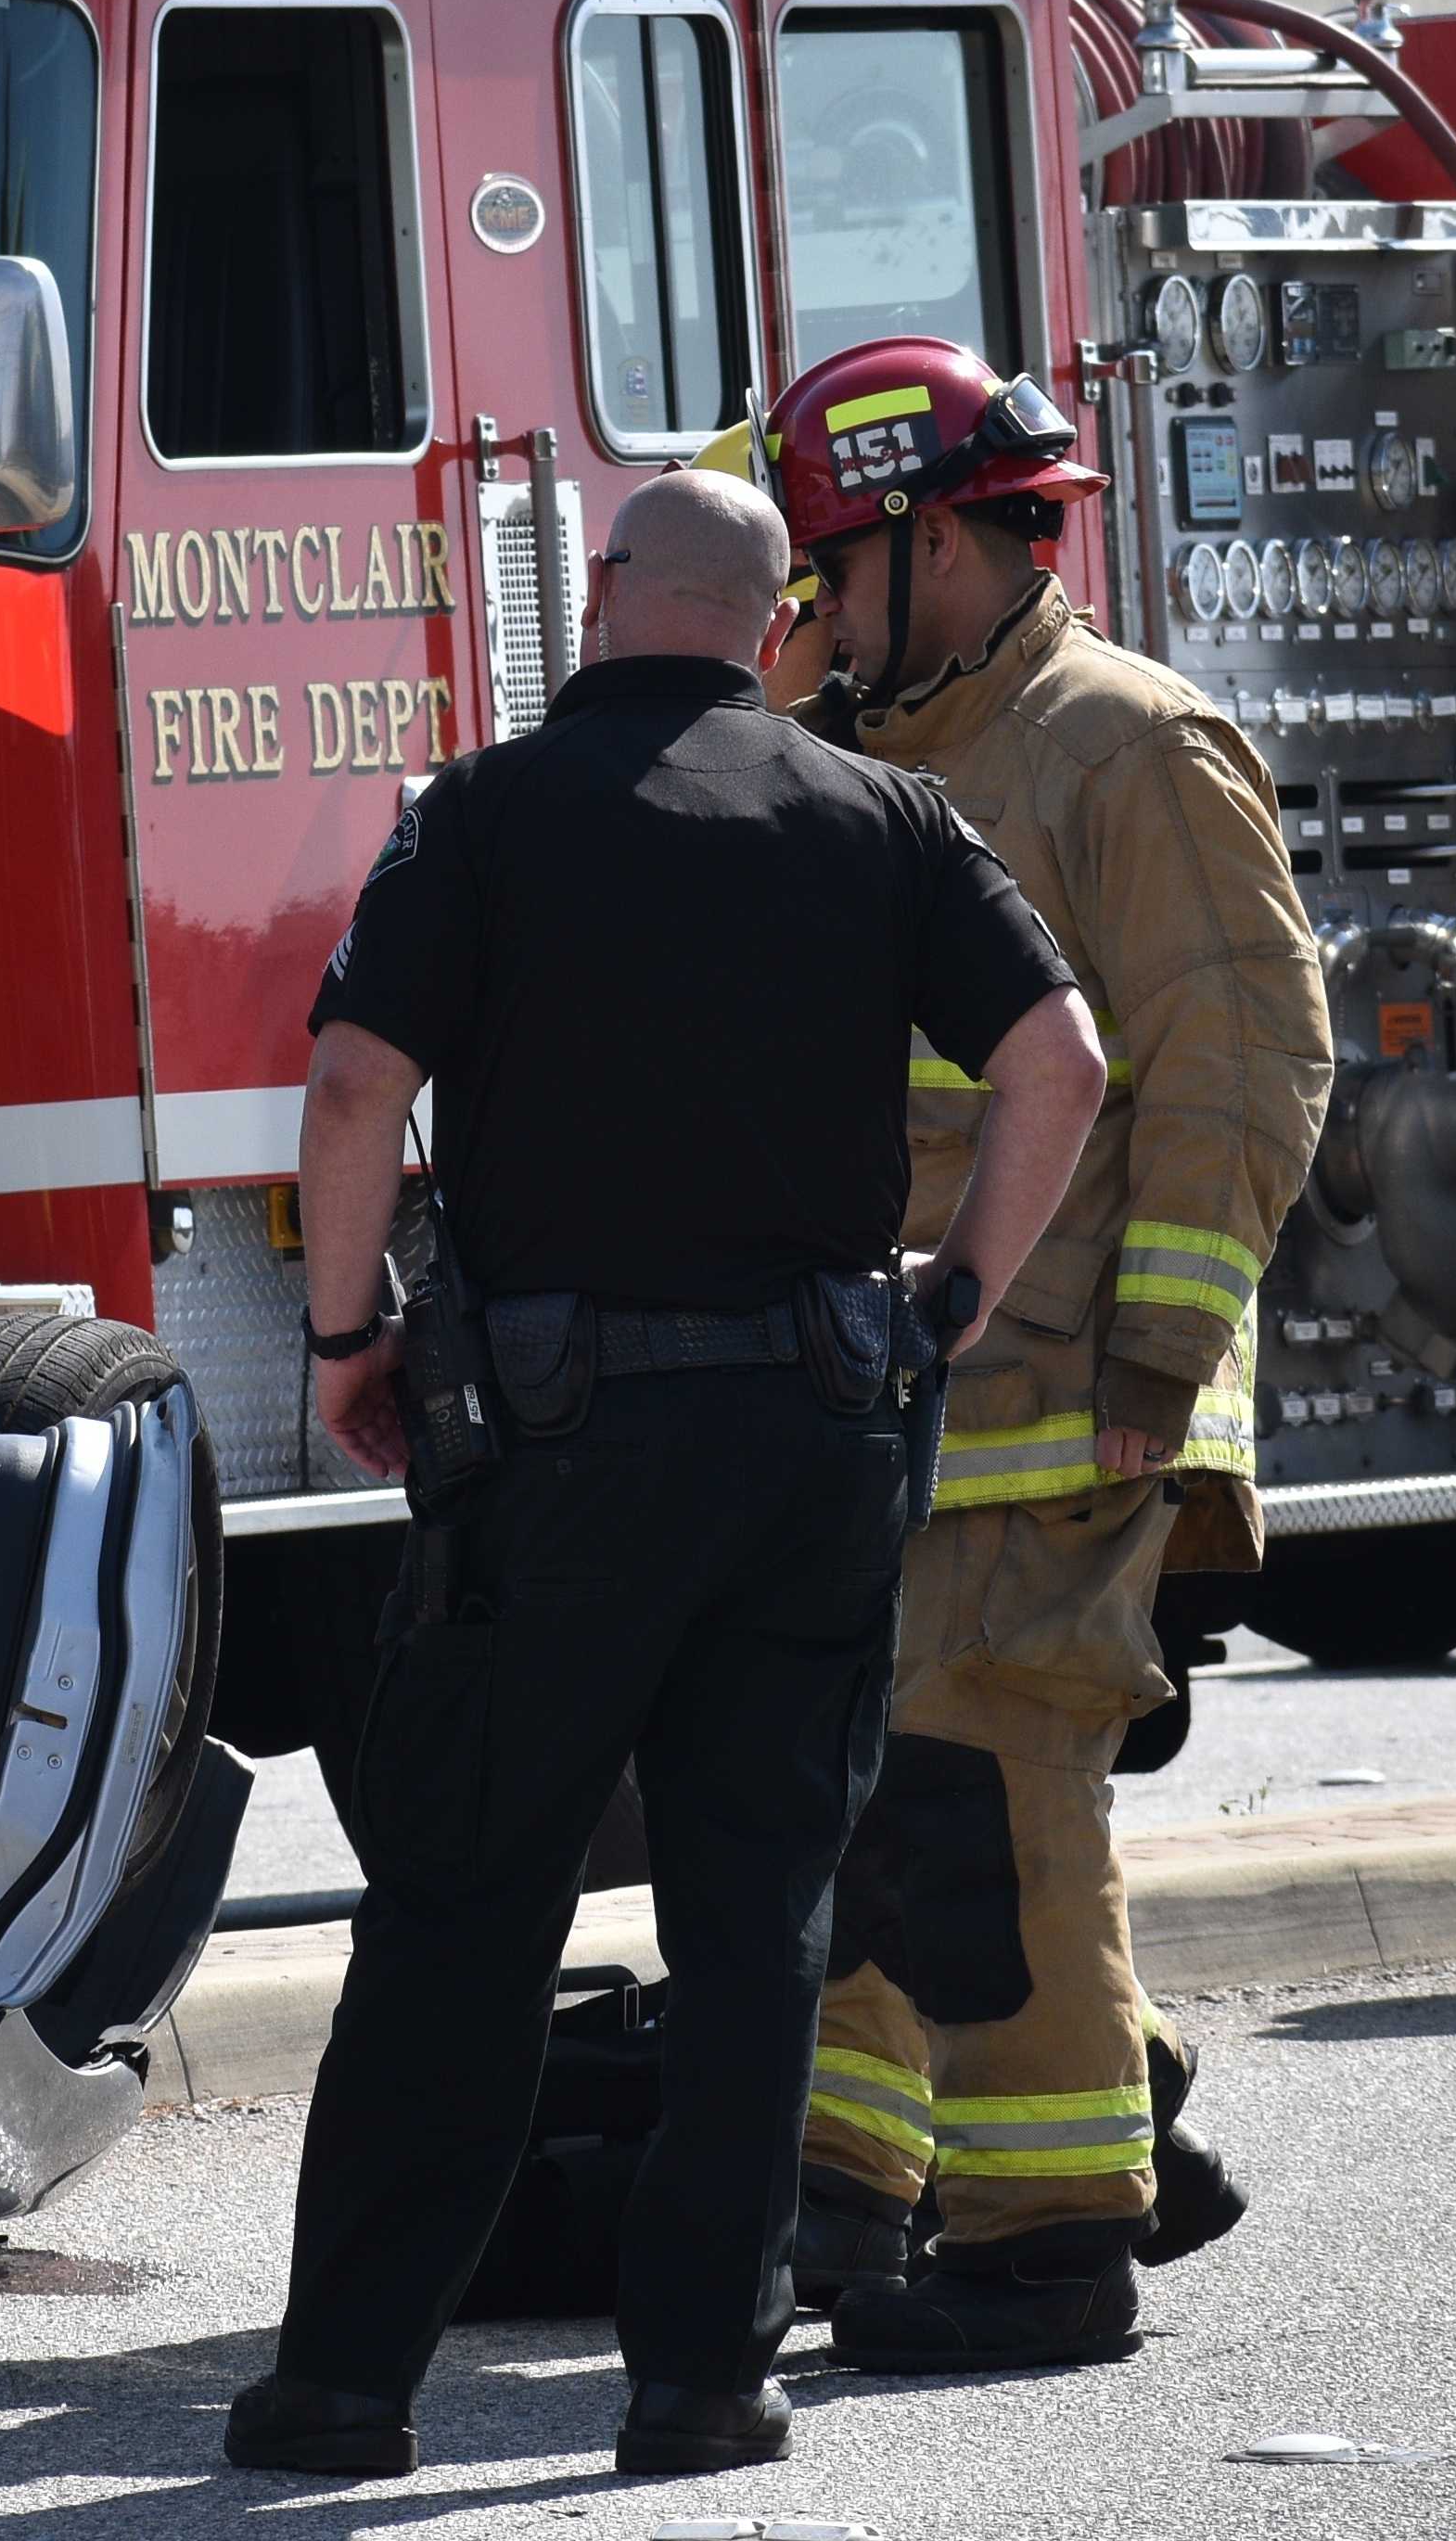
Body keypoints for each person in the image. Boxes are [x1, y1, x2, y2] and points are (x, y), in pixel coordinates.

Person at [224, 466, 1107, 2484]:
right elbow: (1057, 1051)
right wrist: (959, 1291)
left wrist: (350, 1333)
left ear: (613, 591)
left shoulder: (489, 811)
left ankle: (350, 2387)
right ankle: (703, 2381)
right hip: (814, 1439)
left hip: (561, 1454)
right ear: (767, 608)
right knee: (757, 1913)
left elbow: (360, 1078)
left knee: (464, 1897)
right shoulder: (881, 812)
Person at [729, 337, 1325, 2376]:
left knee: (987, 1773)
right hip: (876, 1381)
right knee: (873, 1784)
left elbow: (1248, 1054)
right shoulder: (849, 731)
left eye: (834, 555)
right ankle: (854, 2168)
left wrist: (1161, 1340)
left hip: (1066, 1375)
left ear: (938, 536)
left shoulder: (1123, 744)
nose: (810, 596)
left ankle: (1054, 2237)